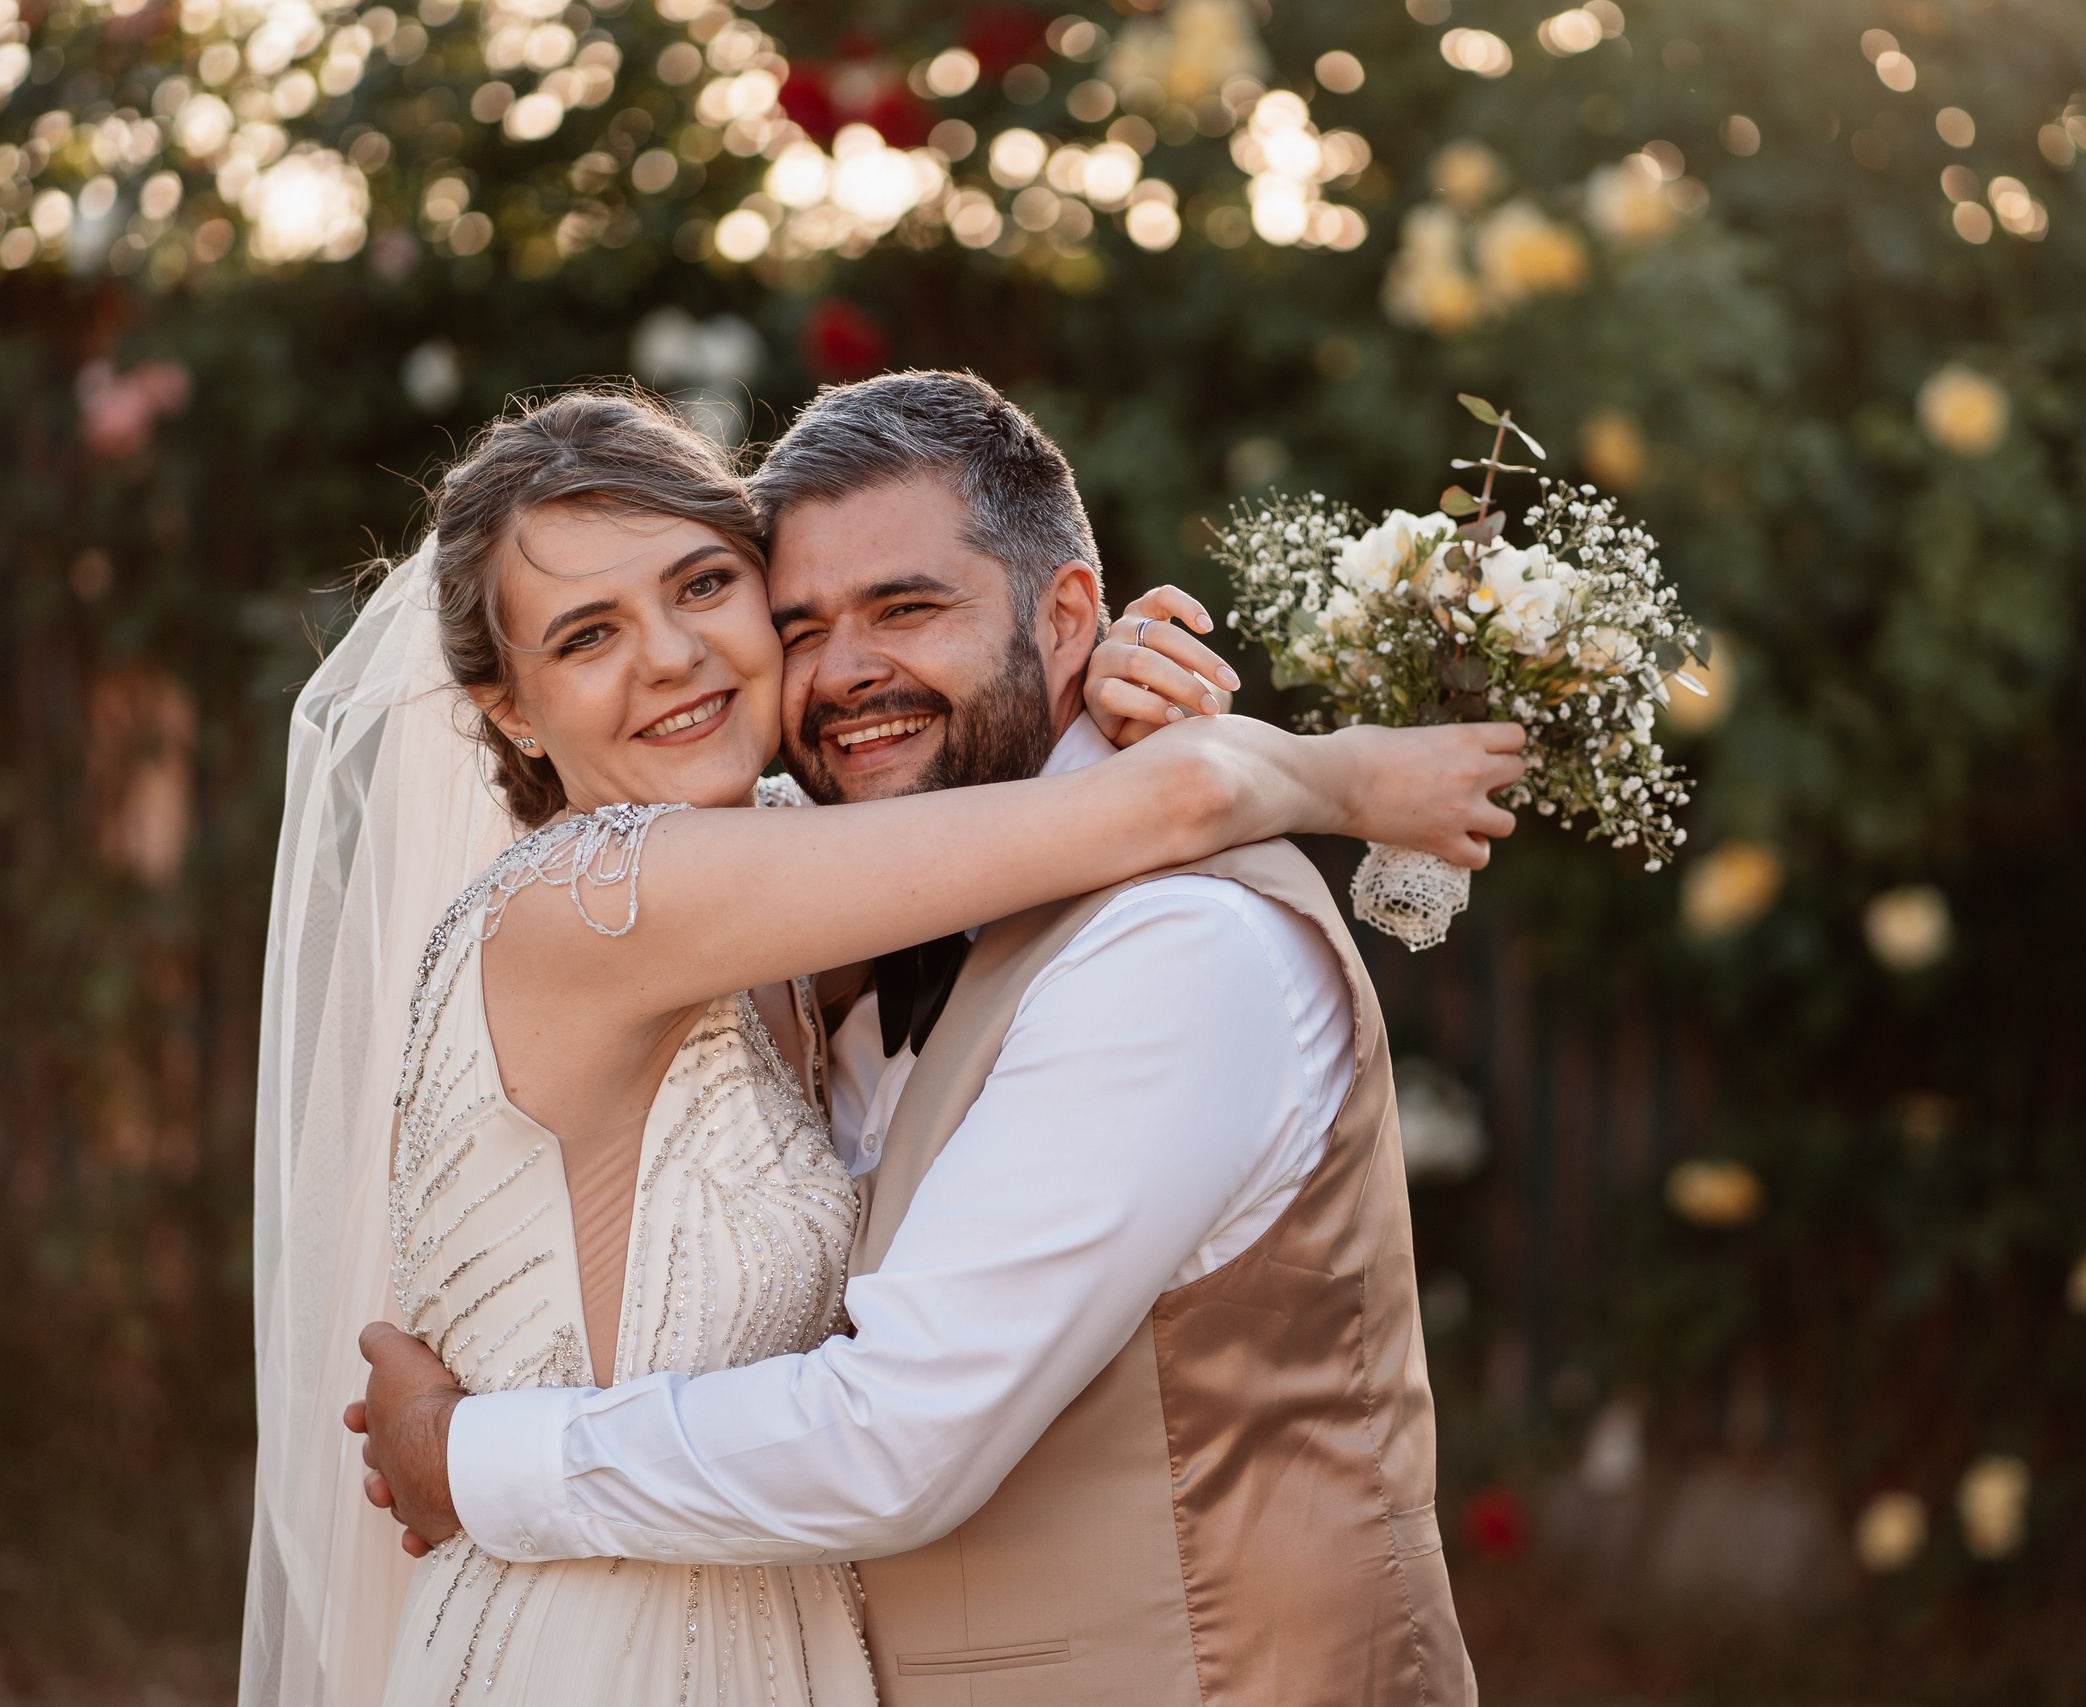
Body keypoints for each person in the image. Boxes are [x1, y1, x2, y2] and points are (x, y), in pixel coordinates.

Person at [246, 382, 1521, 1707]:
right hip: (605, 1656)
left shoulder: (1095, 932)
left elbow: (1057, 811)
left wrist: (1096, 686)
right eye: (586, 636)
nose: (679, 657)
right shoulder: (610, 897)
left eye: (706, 588)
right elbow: (1168, 795)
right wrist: (1338, 774)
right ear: (509, 711)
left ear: (1064, 609)